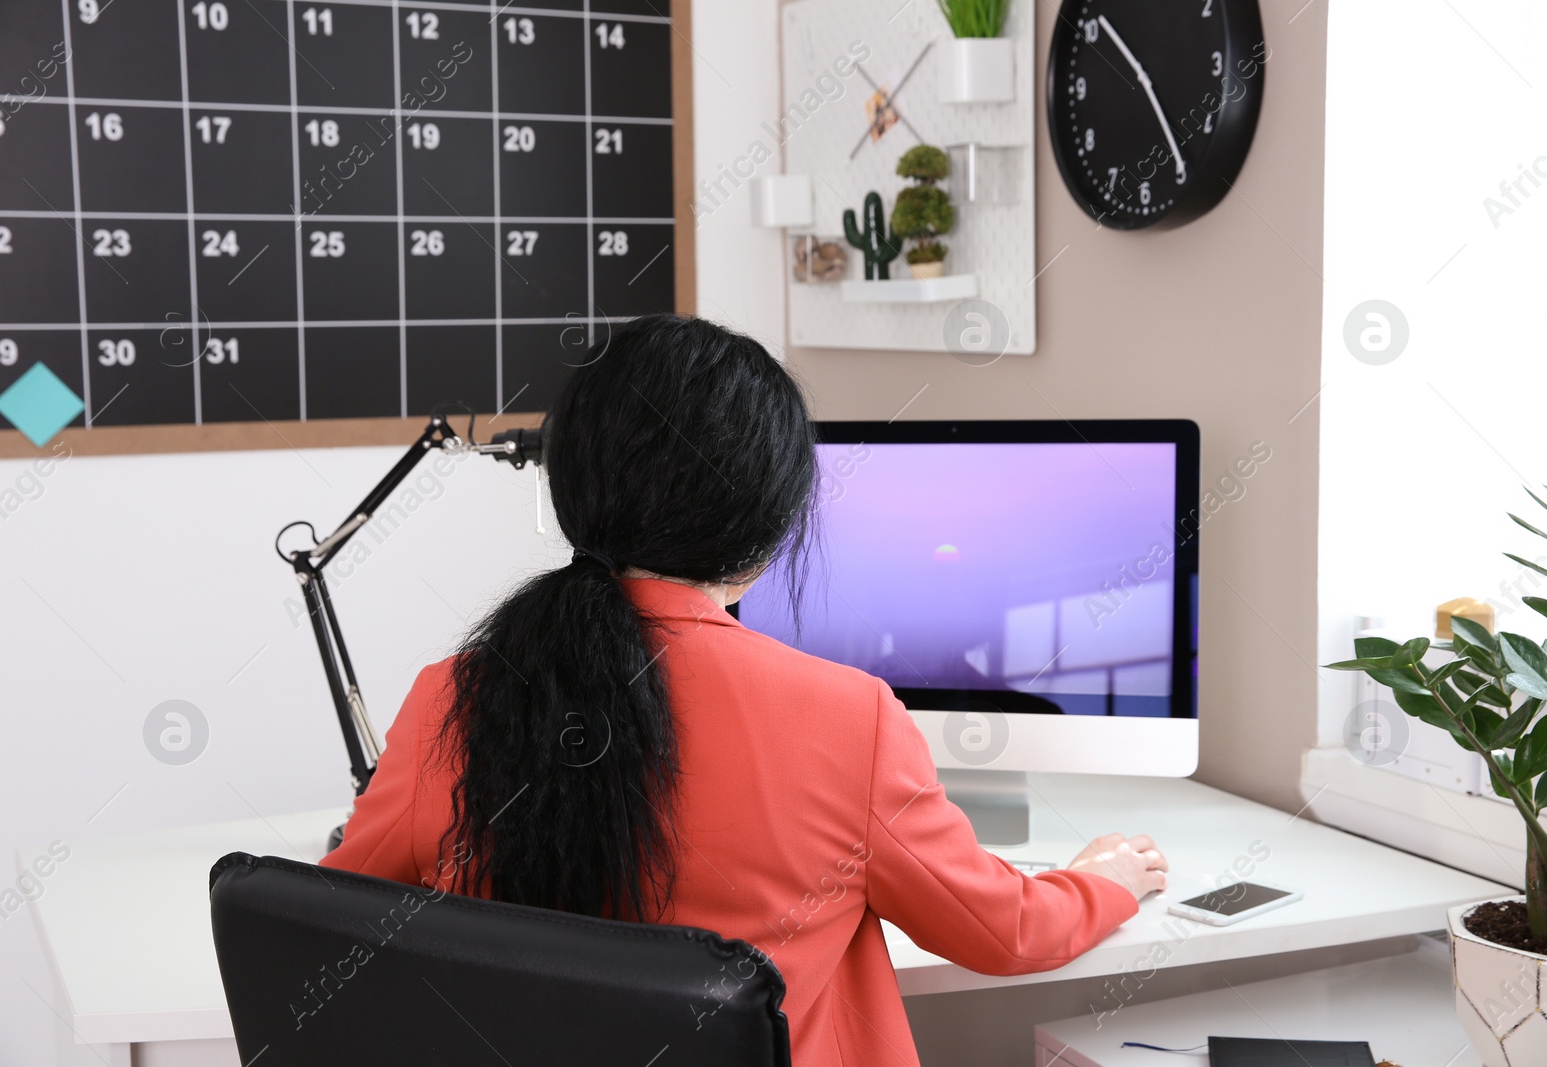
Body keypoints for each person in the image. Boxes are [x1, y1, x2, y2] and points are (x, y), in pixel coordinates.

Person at [322, 313, 1167, 1067]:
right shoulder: (851, 718)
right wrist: (1107, 878)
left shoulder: (454, 694)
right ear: (764, 531)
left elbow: (326, 915)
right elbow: (1001, 929)